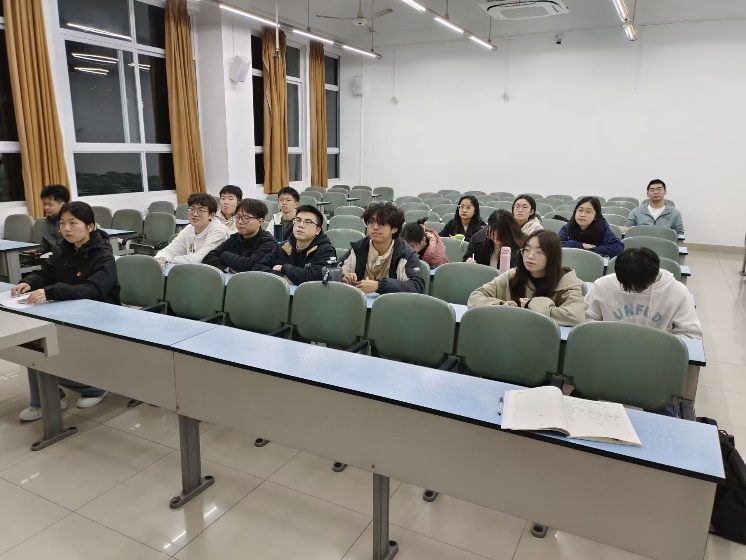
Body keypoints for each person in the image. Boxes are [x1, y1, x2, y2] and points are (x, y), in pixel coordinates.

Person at [12, 201, 120, 421]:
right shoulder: (64, 249)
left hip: (100, 315)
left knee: (40, 351)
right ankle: (48, 399)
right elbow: (47, 273)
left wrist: (52, 292)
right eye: (62, 223)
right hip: (69, 309)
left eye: (73, 223)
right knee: (34, 347)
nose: (66, 228)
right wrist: (29, 282)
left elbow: (94, 290)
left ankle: (92, 388)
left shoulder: (103, 254)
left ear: (90, 226)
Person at [467, 230, 586, 325]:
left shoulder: (567, 282)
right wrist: (501, 306)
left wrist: (532, 305)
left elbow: (576, 316)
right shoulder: (512, 275)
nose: (530, 256)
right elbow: (475, 297)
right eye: (527, 250)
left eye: (539, 252)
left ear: (553, 256)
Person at [585, 247, 702, 339]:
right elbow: (586, 319)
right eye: (627, 286)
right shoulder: (603, 285)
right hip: (610, 346)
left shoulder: (677, 291)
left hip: (656, 352)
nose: (633, 290)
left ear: (654, 275)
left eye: (639, 286)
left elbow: (691, 334)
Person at [341, 202, 425, 294]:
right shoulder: (358, 248)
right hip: (359, 300)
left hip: (391, 302)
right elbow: (335, 272)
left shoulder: (406, 254)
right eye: (371, 222)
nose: (375, 227)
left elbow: (417, 286)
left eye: (381, 223)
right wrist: (344, 278)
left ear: (394, 229)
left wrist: (379, 286)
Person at [255, 205, 335, 284]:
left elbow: (315, 277)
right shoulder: (283, 247)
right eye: (298, 220)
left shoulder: (326, 251)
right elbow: (258, 268)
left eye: (308, 222)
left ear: (318, 230)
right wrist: (282, 278)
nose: (301, 225)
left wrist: (284, 268)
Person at [203, 199, 277, 273]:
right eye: (237, 217)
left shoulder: (269, 242)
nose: (240, 222)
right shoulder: (235, 237)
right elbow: (208, 258)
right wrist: (228, 268)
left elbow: (250, 266)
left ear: (260, 221)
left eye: (246, 218)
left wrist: (224, 255)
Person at [155, 193, 229, 264]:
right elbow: (170, 251)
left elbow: (199, 259)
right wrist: (160, 258)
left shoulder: (218, 232)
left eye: (201, 210)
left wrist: (170, 260)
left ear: (211, 215)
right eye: (192, 209)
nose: (195, 214)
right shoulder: (189, 229)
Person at [558, 197, 623, 258]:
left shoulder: (602, 228)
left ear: (595, 216)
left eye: (588, 212)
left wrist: (589, 251)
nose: (582, 215)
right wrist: (582, 245)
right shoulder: (568, 227)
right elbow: (557, 244)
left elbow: (618, 248)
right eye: (580, 210)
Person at [35, 184, 70, 255]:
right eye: (44, 204)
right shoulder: (47, 222)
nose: (46, 208)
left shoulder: (71, 221)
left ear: (62, 205)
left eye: (50, 204)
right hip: (56, 258)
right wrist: (37, 250)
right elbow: (46, 243)